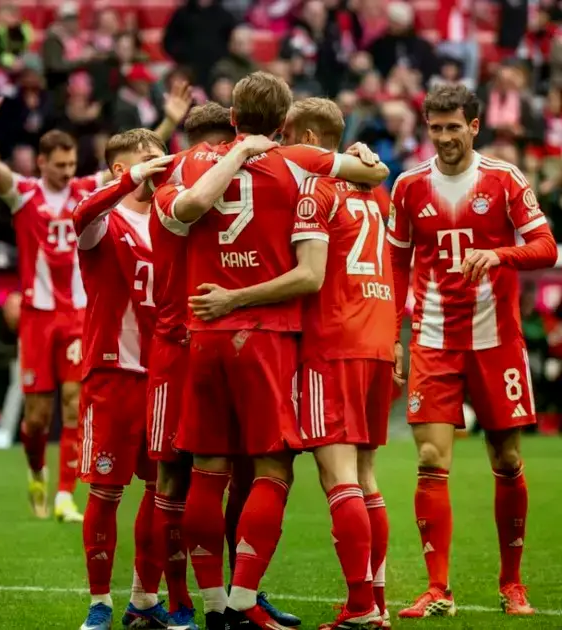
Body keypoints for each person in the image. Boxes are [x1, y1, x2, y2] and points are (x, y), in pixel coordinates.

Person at [159, 71, 390, 629]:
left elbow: (179, 210)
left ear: (232, 117)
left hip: (203, 331)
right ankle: (245, 601)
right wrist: (365, 156)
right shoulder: (299, 164)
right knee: (275, 471)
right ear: (285, 124)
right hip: (268, 335)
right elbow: (371, 171)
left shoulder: (188, 164)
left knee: (205, 472)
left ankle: (207, 604)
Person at [72, 127, 275, 630]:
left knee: (162, 489)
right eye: (143, 159)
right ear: (121, 169)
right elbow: (82, 216)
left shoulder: (175, 218)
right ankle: (99, 603)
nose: (157, 163)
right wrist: (128, 182)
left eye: (160, 155)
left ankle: (145, 599)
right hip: (113, 371)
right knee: (105, 490)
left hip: (167, 368)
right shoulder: (107, 219)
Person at [388, 84, 557, 618]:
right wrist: (394, 336)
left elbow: (546, 247)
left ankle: (512, 584)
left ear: (474, 126)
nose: (443, 138)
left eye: (453, 127)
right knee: (430, 460)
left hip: (496, 342)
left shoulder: (504, 180)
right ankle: (438, 590)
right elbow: (395, 263)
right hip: (434, 340)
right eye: (435, 128)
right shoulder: (409, 185)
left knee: (507, 460)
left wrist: (500, 254)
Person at [0, 81, 100, 523]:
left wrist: (166, 120)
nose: (68, 171)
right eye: (60, 165)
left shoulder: (88, 188)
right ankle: (35, 471)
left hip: (77, 316)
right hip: (36, 318)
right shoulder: (24, 192)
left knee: (73, 402)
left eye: (71, 163)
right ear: (42, 162)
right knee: (35, 418)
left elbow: (131, 165)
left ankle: (67, 495)